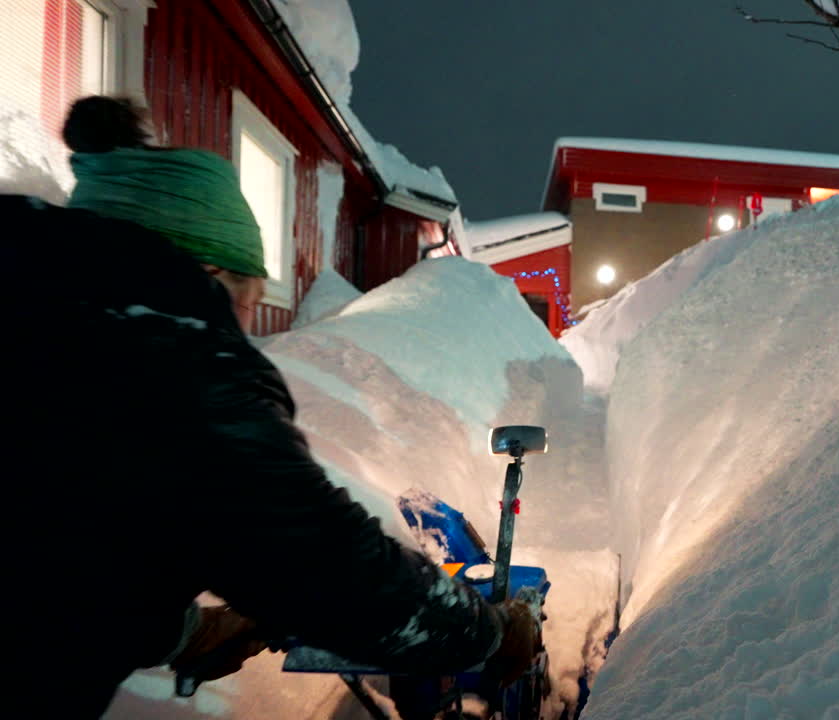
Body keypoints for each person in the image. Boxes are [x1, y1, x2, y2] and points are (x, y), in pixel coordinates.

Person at [2, 96, 539, 718]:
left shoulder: (52, 327)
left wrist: (177, 630)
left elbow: (61, 548)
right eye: (246, 298)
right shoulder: (172, 363)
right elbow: (327, 566)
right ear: (205, 271)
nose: (246, 325)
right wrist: (488, 633)